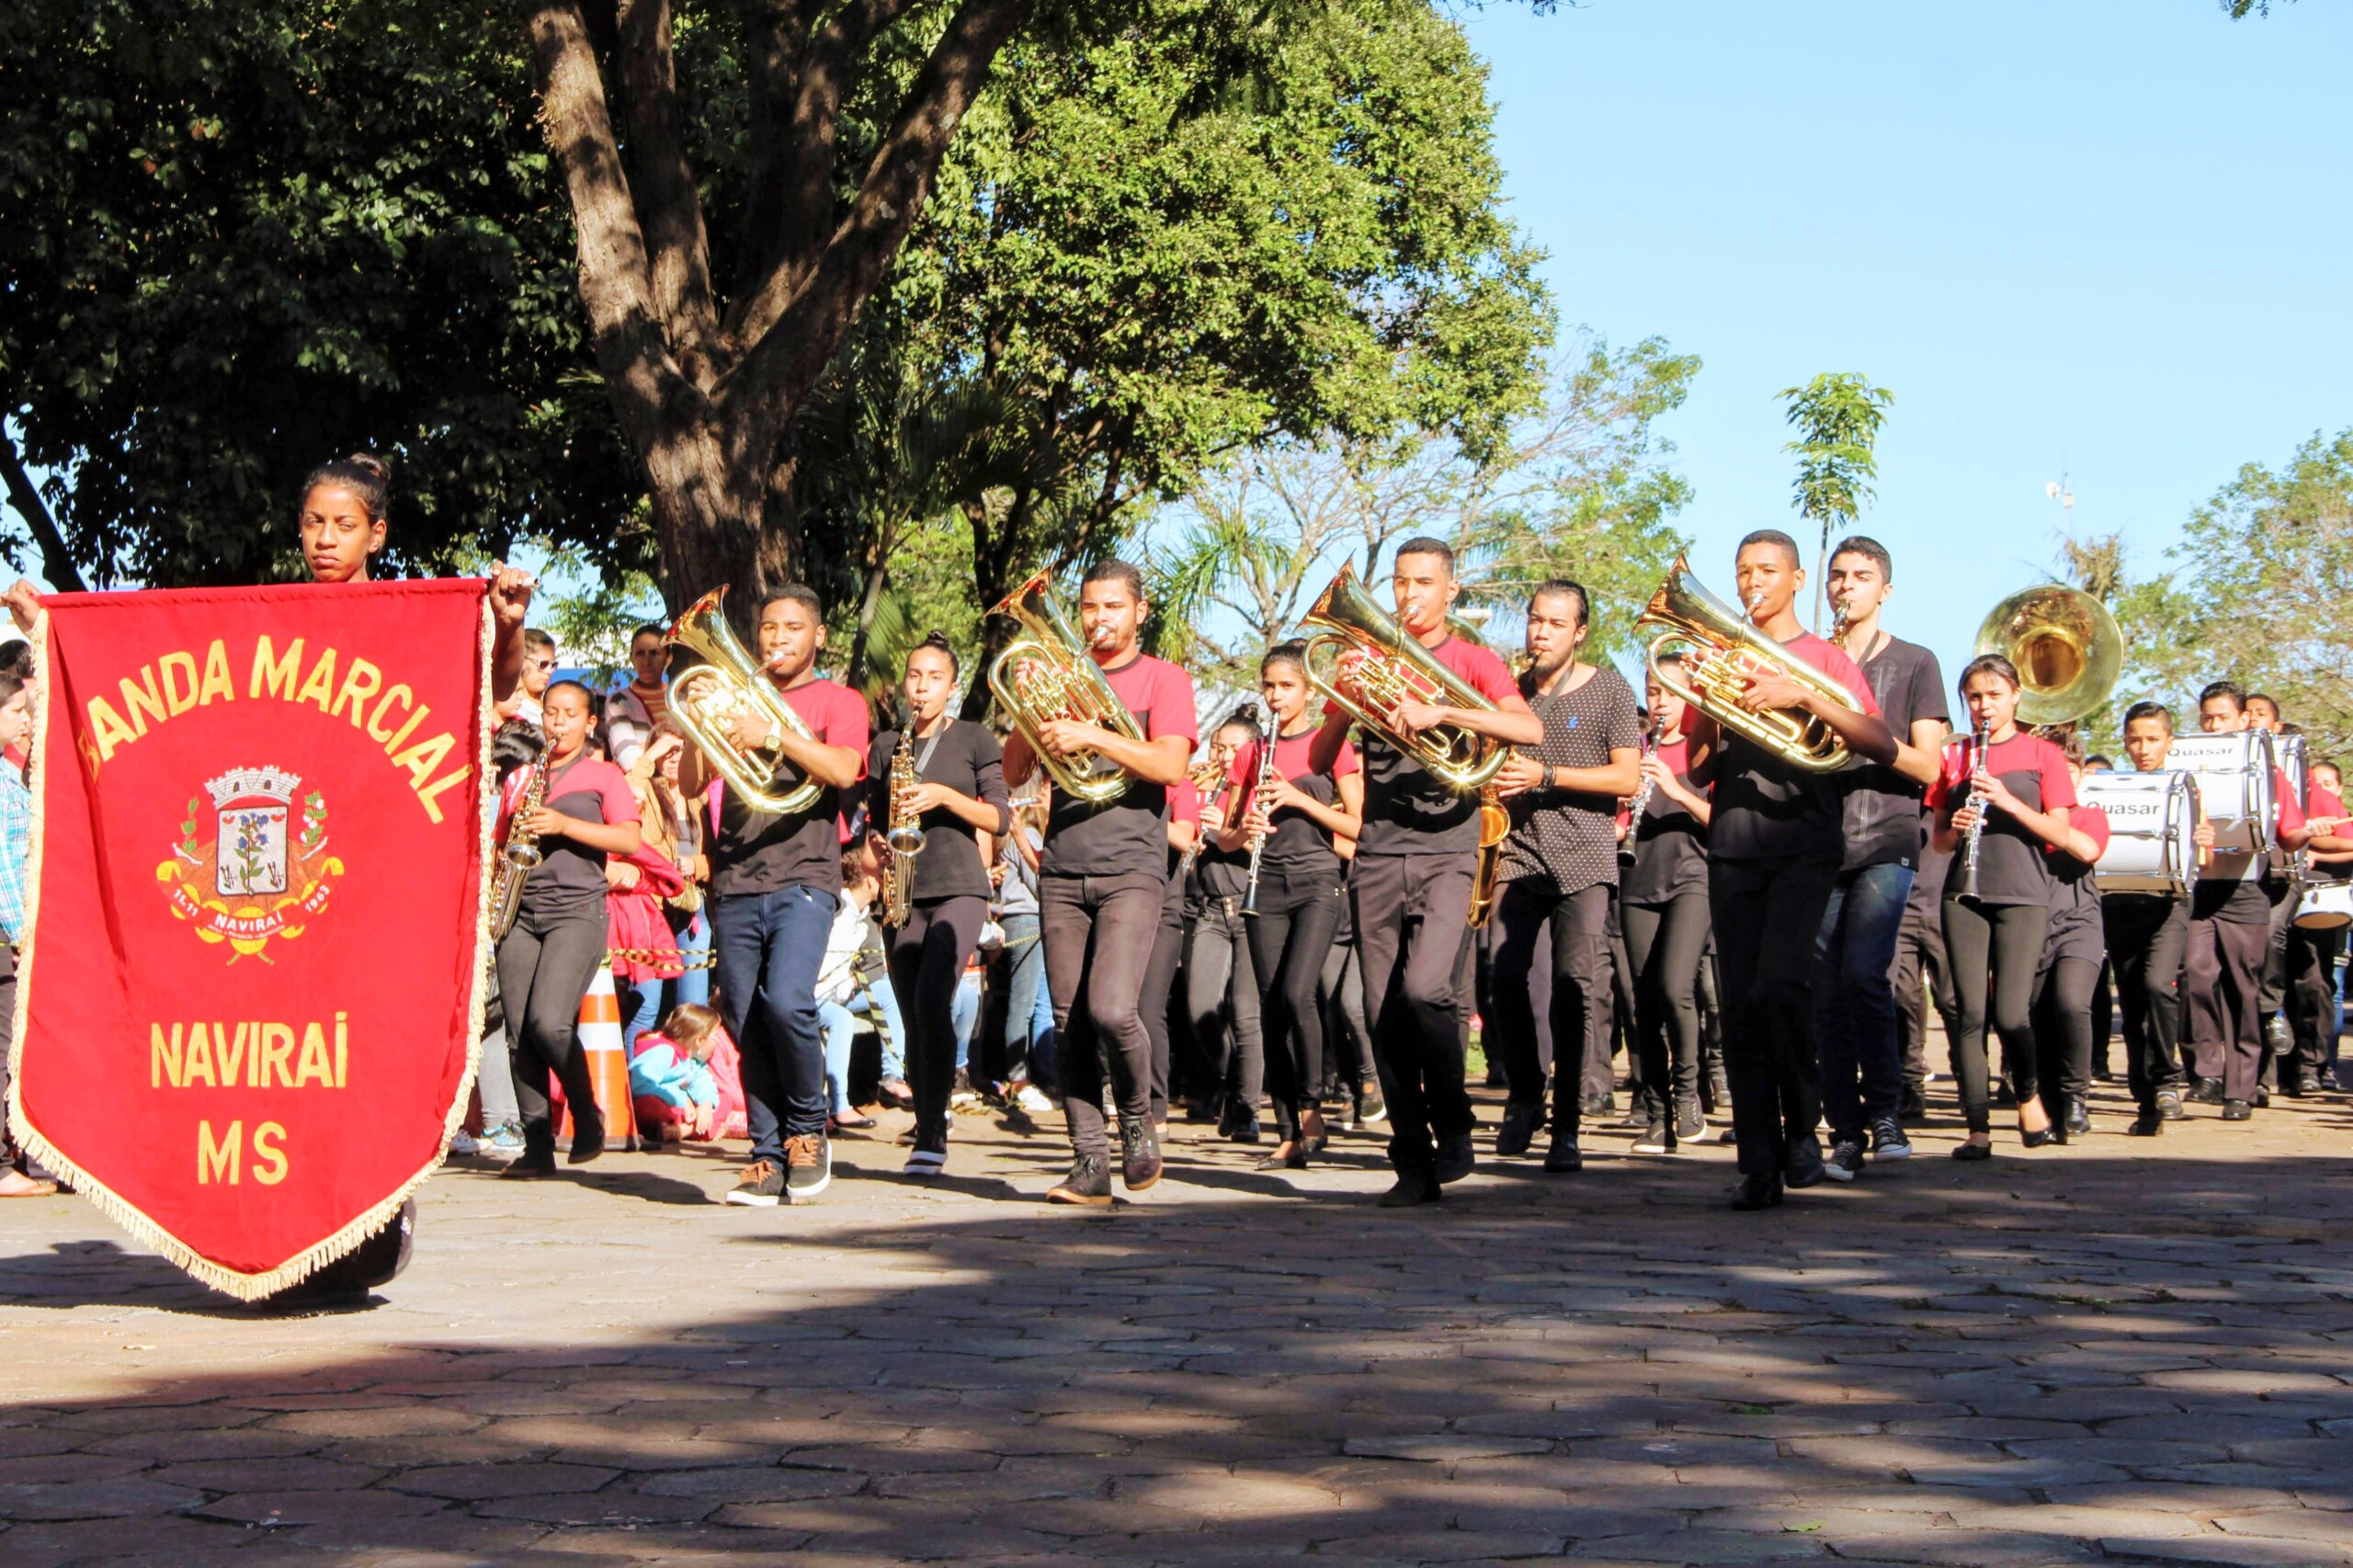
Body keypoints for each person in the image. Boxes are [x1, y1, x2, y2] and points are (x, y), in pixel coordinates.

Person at [1308, 538, 1541, 1208]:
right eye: (1401, 583)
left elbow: (1524, 729)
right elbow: (1323, 758)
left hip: (1450, 844)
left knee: (1427, 991)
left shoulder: (1471, 658)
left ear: (1451, 590)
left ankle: (1454, 1119)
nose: (1409, 595)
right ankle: (1411, 1160)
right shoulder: (1367, 660)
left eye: (1423, 583)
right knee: (1381, 1010)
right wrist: (1348, 703)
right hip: (1380, 850)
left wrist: (1443, 711)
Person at [1679, 530, 1895, 1210]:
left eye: (1766, 571)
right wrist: (1707, 704)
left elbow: (1880, 742)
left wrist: (1797, 696)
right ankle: (1759, 1162)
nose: (1752, 583)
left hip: (1805, 842)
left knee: (1781, 986)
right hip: (1735, 843)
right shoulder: (1723, 652)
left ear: (1798, 578)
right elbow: (1699, 767)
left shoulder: (1824, 657)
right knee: (1741, 1003)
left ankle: (1802, 1127)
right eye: (1743, 572)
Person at [1001, 560, 1199, 1207]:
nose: (1098, 619)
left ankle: (1138, 1117)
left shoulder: (1163, 679)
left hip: (1133, 866)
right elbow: (1012, 772)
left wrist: (1092, 732)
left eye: (1113, 607)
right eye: (1089, 607)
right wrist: (1030, 707)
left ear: (1139, 612)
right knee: (1068, 1023)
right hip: (1061, 864)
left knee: (1113, 1009)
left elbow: (1169, 763)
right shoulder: (1061, 676)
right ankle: (1088, 1162)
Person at [677, 586, 869, 1207]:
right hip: (735, 879)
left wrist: (769, 734)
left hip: (805, 875)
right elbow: (688, 783)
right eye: (767, 627)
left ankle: (808, 1131)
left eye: (792, 628)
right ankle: (765, 1154)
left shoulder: (839, 700)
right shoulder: (736, 699)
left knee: (787, 1002)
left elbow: (842, 770)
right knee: (742, 1017)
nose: (777, 639)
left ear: (818, 638)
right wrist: (699, 728)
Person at [1484, 581, 1641, 1170]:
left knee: (1576, 990)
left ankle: (1568, 1126)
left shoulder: (1610, 690)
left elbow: (1626, 779)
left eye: (1555, 623)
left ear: (1579, 633)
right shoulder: (1513, 692)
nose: (1540, 633)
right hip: (1519, 854)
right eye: (1534, 621)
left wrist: (1546, 775)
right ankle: (1527, 1093)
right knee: (1505, 977)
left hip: (1586, 860)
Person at [1816, 537, 1949, 1180]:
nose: (1846, 587)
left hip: (1887, 837)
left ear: (1884, 590)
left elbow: (1927, 764)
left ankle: (1886, 1112)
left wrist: (1850, 725)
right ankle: (1843, 1129)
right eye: (1837, 576)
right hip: (1816, 839)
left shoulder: (1916, 662)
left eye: (1861, 577)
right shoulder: (1808, 657)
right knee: (1824, 989)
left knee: (1864, 975)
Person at [869, 632, 1011, 1176]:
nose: (921, 687)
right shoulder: (886, 745)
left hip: (959, 885)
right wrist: (877, 849)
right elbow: (873, 824)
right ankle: (928, 1119)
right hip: (903, 889)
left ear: (952, 686)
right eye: (913, 676)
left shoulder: (974, 737)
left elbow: (1000, 818)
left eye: (934, 678)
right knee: (912, 1014)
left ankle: (933, 1129)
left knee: (933, 999)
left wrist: (945, 798)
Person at [1927, 654, 2077, 1160]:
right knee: (1968, 1012)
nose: (1983, 706)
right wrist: (1958, 825)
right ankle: (1977, 1129)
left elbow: (2063, 831)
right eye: (1974, 696)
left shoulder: (2043, 754)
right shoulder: (1955, 756)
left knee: (2012, 1013)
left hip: (2023, 893)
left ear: (2016, 695)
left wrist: (2010, 803)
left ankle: (2029, 1095)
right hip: (1963, 892)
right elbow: (1940, 842)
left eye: (1993, 694)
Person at [494, 680, 644, 1174]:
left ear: (590, 722)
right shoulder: (524, 776)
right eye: (551, 713)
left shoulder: (604, 775)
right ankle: (536, 1148)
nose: (558, 723)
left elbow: (628, 837)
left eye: (569, 714)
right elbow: (502, 842)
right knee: (519, 1032)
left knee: (548, 1022)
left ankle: (586, 1113)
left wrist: (562, 825)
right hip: (521, 908)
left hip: (577, 909)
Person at [1222, 647, 1364, 1171]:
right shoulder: (1251, 752)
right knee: (1269, 1005)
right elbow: (1226, 832)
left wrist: (1302, 800)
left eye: (1285, 686)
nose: (1275, 696)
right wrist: (1244, 832)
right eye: (1268, 686)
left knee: (1297, 992)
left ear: (1308, 690)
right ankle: (1287, 1128)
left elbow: (1360, 826)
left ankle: (1312, 1108)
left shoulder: (1330, 748)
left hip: (1317, 882)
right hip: (1266, 884)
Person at [2184, 680, 2309, 1119]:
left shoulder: (2269, 774)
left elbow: (2291, 833)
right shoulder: (2184, 769)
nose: (2215, 726)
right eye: (2207, 718)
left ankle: (2242, 1087)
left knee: (2243, 987)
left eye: (2223, 717)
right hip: (2198, 890)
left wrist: (2309, 831)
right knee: (2197, 976)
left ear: (2243, 720)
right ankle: (2209, 1072)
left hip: (2245, 890)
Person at [1617, 654, 1713, 1154]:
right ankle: (1656, 1113)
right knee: (1642, 1003)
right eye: (1654, 692)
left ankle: (1688, 1093)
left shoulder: (1703, 751)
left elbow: (1722, 820)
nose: (1660, 703)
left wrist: (1674, 789)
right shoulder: (1633, 751)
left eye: (1672, 694)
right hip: (1638, 879)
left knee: (1676, 988)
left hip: (1691, 878)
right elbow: (1615, 822)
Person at [2105, 702, 2197, 1135]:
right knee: (2133, 1000)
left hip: (2169, 905)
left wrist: (2204, 843)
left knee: (2159, 985)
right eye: (2134, 740)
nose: (2143, 748)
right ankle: (2145, 1100)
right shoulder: (2108, 787)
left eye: (2153, 739)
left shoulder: (2186, 788)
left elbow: (2206, 857)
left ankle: (2166, 1079)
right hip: (2119, 904)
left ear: (2169, 741)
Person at [2027, 729, 2110, 1142]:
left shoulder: (2089, 813)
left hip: (2079, 921)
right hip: (2031, 924)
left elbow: (2088, 849)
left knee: (2072, 1003)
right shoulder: (2022, 814)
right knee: (2036, 1015)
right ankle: (2047, 1105)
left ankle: (2076, 1096)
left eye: (2068, 769)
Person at [1186, 720, 1262, 1141]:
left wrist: (1232, 832)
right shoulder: (1208, 789)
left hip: (1251, 912)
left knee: (1246, 1016)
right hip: (1210, 911)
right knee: (1202, 1009)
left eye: (1233, 748)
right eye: (1218, 747)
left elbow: (1278, 849)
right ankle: (1235, 1086)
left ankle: (1247, 1108)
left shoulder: (1260, 792)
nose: (1223, 756)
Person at [0, 669, 52, 1198]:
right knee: (4, 1047)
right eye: (17, 711)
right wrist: (21, 933)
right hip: (7, 936)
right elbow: (3, 869)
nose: (25, 720)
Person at [630, 1002, 725, 1144]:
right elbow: (639, 1084)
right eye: (716, 1036)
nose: (718, 1042)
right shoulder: (664, 1051)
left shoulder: (695, 1061)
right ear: (700, 1040)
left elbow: (703, 1083)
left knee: (723, 1100)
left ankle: (684, 1130)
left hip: (685, 1113)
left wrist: (705, 1104)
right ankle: (698, 1129)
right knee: (649, 1106)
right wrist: (681, 1099)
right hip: (664, 1106)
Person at [605, 622, 672, 770]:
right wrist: (670, 741)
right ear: (631, 658)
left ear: (668, 659)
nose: (647, 662)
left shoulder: (681, 699)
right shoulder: (619, 702)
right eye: (640, 654)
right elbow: (629, 760)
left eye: (655, 653)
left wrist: (645, 747)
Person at [499, 629, 558, 726]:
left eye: (553, 665)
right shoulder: (511, 707)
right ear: (521, 660)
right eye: (543, 664)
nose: (549, 671)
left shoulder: (552, 699)